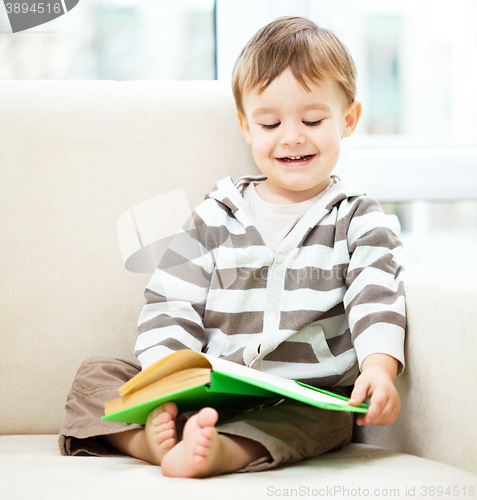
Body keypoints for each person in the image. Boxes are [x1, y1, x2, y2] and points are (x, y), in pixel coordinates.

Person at [59, 16, 406, 478]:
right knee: (95, 375)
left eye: (313, 119)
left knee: (332, 419)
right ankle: (149, 439)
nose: (292, 136)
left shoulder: (357, 217)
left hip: (299, 395)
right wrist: (168, 380)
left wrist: (380, 370)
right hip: (210, 388)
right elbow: (170, 300)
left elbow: (378, 295)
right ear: (246, 126)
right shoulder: (214, 215)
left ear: (348, 119)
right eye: (269, 122)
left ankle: (219, 452)